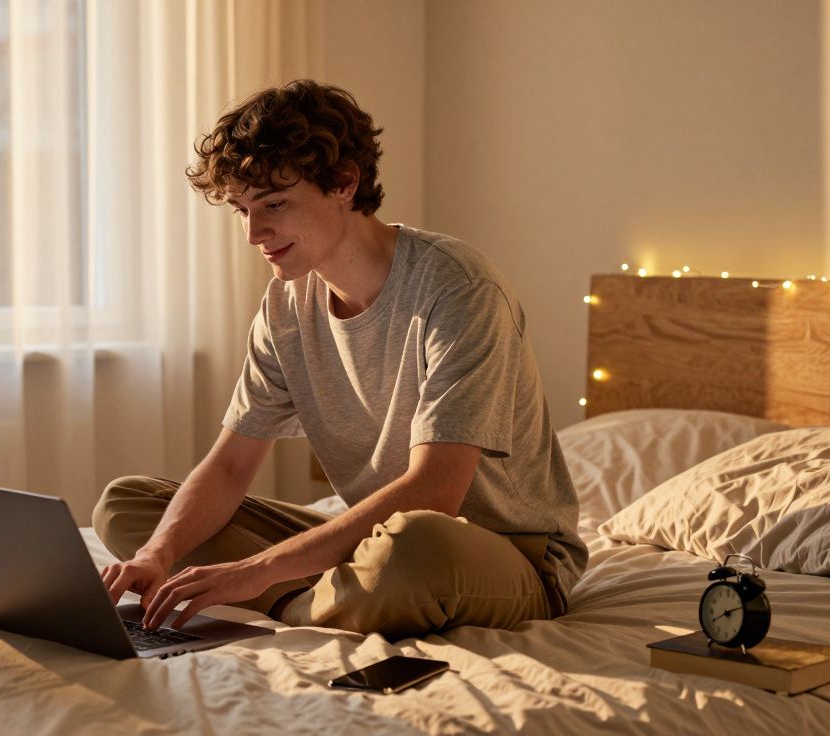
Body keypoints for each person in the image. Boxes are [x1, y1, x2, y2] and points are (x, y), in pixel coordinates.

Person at [93, 79, 586, 641]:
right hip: (377, 543)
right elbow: (229, 467)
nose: (254, 233)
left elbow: (435, 492)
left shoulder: (458, 289)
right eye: (241, 210)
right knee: (126, 505)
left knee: (414, 544)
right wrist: (156, 555)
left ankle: (295, 605)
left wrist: (256, 570)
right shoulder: (285, 306)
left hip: (505, 554)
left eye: (274, 204)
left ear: (345, 183)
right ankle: (326, 597)